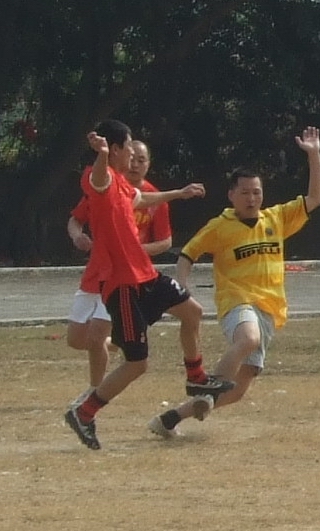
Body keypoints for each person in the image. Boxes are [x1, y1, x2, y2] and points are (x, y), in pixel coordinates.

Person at [64, 119, 234, 450]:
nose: (133, 154)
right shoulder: (100, 177)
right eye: (129, 148)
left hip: (146, 276)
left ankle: (196, 378)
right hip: (122, 286)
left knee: (192, 312)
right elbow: (99, 179)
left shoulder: (123, 184)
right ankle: (84, 412)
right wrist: (102, 154)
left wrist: (179, 193)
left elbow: (141, 199)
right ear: (116, 149)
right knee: (137, 363)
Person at [148, 126, 320, 438]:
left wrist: (314, 154)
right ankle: (206, 385)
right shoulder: (221, 225)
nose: (252, 198)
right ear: (231, 195)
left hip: (269, 308)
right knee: (248, 339)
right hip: (237, 303)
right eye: (245, 192)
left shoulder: (276, 218)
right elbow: (188, 254)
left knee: (238, 390)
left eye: (256, 192)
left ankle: (170, 418)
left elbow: (316, 197)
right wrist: (182, 286)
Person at [65, 140, 174, 407]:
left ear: (149, 164)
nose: (135, 164)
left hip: (125, 277)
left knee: (96, 337)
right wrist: (77, 235)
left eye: (142, 160)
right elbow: (76, 219)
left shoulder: (155, 198)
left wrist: (132, 251)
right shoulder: (104, 186)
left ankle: (94, 393)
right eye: (132, 157)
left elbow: (166, 242)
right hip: (96, 271)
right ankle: (118, 342)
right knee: (76, 339)